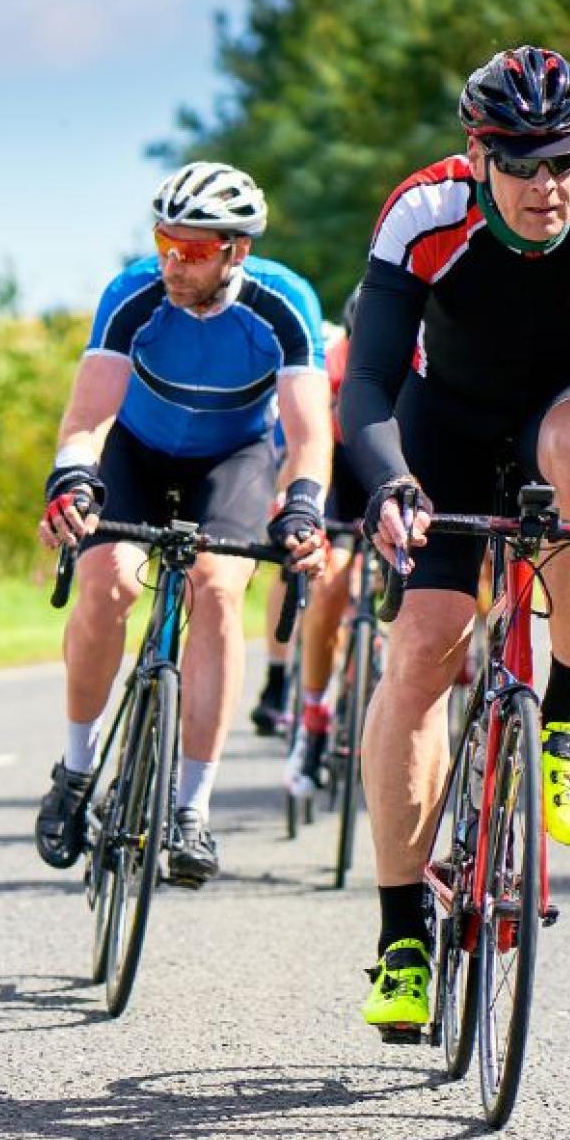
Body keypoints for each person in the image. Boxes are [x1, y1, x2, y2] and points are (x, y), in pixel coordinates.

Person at [340, 46, 570, 1036]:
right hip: (447, 425)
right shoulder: (425, 215)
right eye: (521, 162)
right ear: (478, 153)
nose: (546, 185)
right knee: (420, 650)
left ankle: (567, 719)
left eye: (563, 159)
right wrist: (394, 488)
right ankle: (403, 933)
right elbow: (370, 382)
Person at [36, 161, 335, 888]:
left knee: (220, 591)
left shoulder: (284, 304)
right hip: (135, 452)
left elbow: (307, 436)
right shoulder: (133, 293)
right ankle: (76, 771)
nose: (173, 259)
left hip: (229, 460)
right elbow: (87, 417)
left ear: (237, 249)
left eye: (194, 248)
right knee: (107, 584)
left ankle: (191, 808)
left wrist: (302, 505)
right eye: (166, 240)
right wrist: (73, 477)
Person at [253, 290, 369, 804]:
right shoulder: (334, 362)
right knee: (328, 586)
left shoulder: (430, 358)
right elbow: (308, 448)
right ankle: (316, 718)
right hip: (343, 472)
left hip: (401, 472)